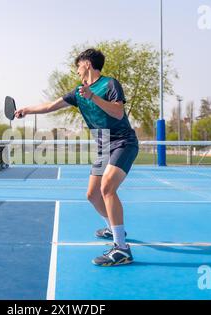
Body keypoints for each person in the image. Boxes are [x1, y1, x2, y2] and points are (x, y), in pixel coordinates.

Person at [15, 48, 139, 267]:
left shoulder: (109, 84)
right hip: (103, 146)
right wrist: (27, 109)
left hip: (122, 142)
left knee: (108, 188)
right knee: (92, 195)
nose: (77, 71)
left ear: (88, 64)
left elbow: (118, 113)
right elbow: (50, 105)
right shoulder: (77, 92)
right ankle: (113, 227)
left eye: (78, 66)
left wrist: (92, 97)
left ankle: (122, 249)